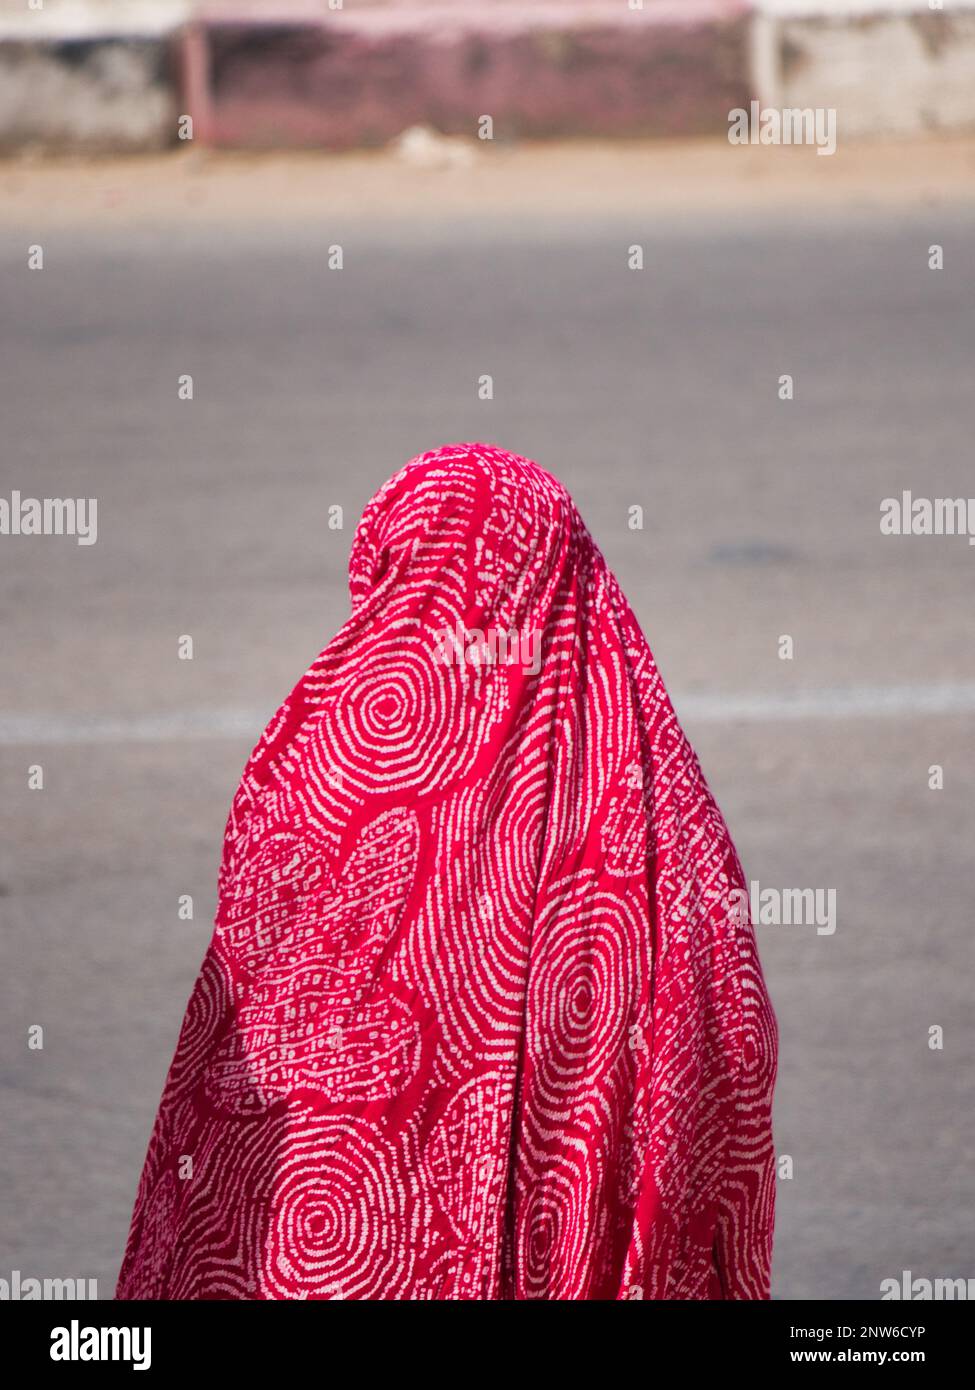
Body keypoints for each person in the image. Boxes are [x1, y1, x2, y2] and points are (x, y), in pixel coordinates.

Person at [116, 442, 777, 1301]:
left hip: (348, 1248)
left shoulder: (323, 758)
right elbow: (728, 1040)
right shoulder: (654, 799)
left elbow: (252, 1013)